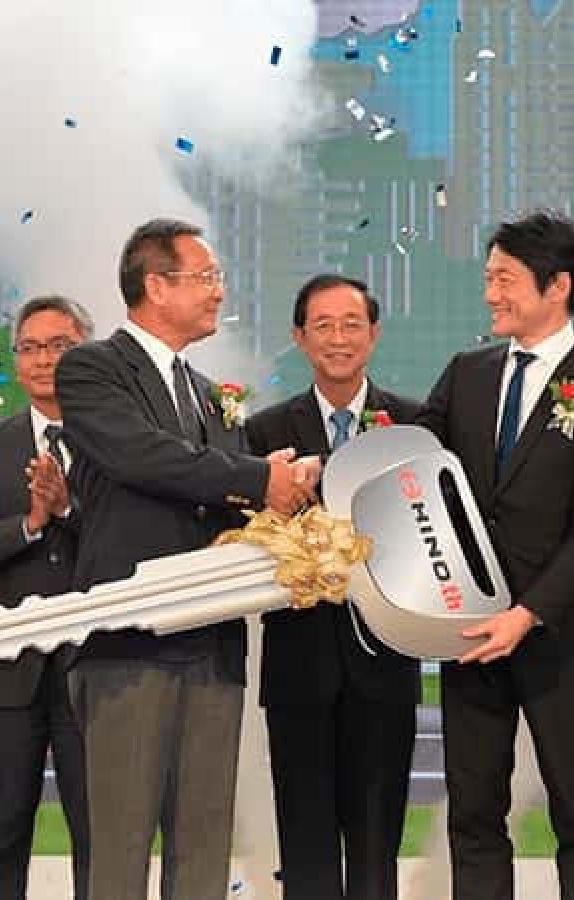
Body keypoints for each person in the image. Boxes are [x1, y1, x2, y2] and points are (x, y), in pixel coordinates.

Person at [54, 217, 319, 899]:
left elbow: (224, 495)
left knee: (202, 852)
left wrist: (284, 495)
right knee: (120, 854)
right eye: (205, 277)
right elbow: (142, 456)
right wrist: (258, 477)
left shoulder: (209, 393)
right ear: (156, 286)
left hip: (213, 647)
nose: (218, 292)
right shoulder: (92, 368)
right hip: (130, 646)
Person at [415, 210, 574, 900]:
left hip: (558, 636)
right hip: (469, 630)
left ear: (558, 286)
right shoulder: (467, 373)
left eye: (505, 280)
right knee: (474, 813)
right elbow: (415, 459)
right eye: (489, 279)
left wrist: (527, 613)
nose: (491, 294)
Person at [243, 274, 419, 900]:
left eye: (351, 324)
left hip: (385, 663)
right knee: (305, 844)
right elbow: (247, 540)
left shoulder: (412, 426)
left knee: (377, 846)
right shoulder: (264, 434)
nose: (338, 338)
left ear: (374, 334)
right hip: (299, 665)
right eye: (323, 325)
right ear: (299, 337)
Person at [0, 295, 94, 899]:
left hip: (96, 670)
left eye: (59, 346)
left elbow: (135, 542)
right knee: (1, 840)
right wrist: (30, 524)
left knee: (100, 840)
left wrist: (68, 510)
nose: (43, 359)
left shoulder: (116, 441)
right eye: (30, 347)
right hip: (8, 677)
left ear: (86, 353)